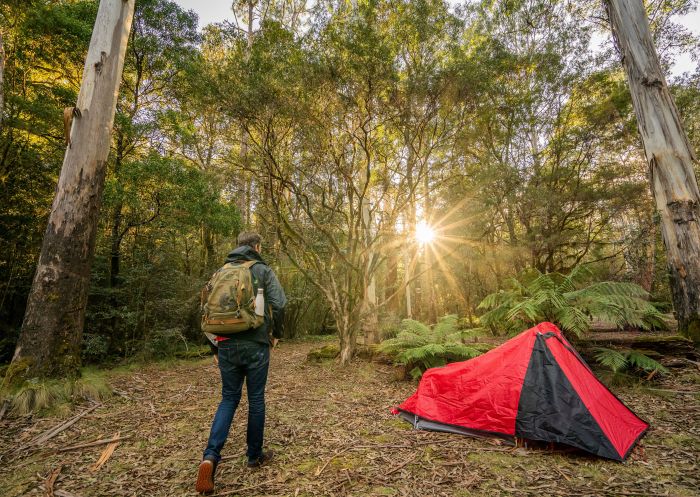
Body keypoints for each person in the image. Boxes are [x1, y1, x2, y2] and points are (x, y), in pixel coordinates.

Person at [196, 232, 286, 494]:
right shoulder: (262, 269)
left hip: (225, 343)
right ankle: (254, 456)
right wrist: (276, 334)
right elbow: (280, 303)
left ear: (237, 246)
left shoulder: (221, 271)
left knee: (228, 399)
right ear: (257, 246)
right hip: (256, 343)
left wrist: (213, 345)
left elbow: (205, 310)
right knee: (256, 399)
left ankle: (210, 457)